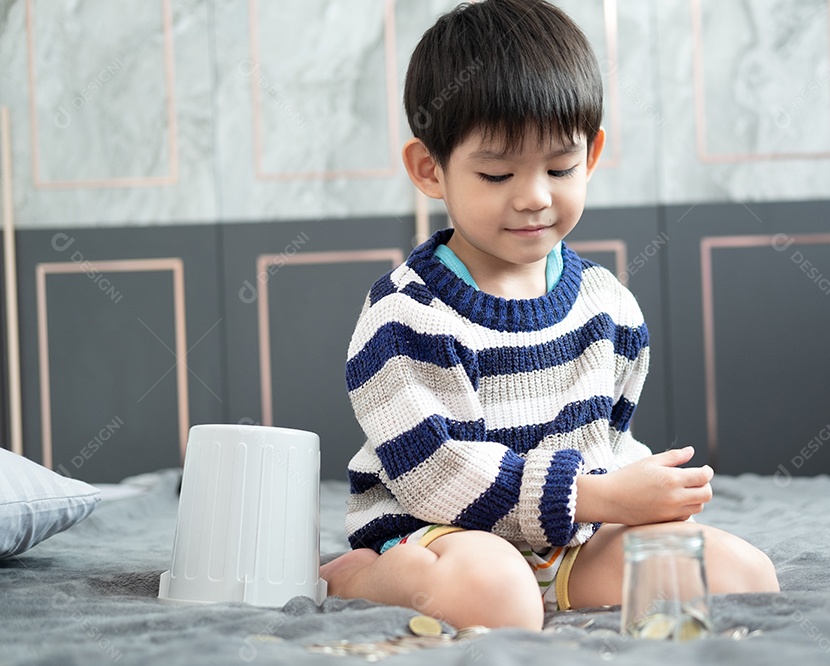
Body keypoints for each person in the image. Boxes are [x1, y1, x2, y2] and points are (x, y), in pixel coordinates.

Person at [320, 0, 778, 631]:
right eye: (497, 172)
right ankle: (362, 578)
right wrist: (599, 495)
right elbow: (442, 476)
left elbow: (606, 444)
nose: (534, 197)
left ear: (589, 157)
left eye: (559, 168)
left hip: (566, 544)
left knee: (739, 576)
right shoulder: (405, 314)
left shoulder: (607, 304)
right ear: (432, 170)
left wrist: (639, 497)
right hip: (442, 534)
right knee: (499, 594)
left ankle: (555, 587)